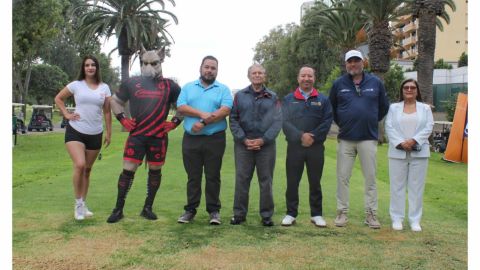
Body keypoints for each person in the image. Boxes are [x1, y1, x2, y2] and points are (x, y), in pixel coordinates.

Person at [106, 48, 182, 223]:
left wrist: (174, 123)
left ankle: (148, 208)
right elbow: (114, 101)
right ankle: (118, 209)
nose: (149, 67)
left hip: (158, 137)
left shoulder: (171, 86)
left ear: (161, 61)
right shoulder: (131, 83)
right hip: (137, 136)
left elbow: (183, 105)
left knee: (155, 172)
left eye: (153, 63)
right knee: (127, 171)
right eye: (144, 63)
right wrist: (122, 119)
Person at [329, 50, 389, 229]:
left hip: (368, 139)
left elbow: (383, 107)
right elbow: (331, 108)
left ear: (363, 63)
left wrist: (369, 120)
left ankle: (371, 215)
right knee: (342, 178)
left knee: (370, 178)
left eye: (356, 61)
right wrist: (345, 123)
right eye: (350, 62)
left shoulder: (375, 83)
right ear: (346, 64)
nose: (353, 64)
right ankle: (342, 213)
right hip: (346, 139)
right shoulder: (339, 84)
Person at [176, 55, 233, 225]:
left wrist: (203, 122)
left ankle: (214, 211)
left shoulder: (223, 89)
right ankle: (190, 210)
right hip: (191, 140)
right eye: (207, 67)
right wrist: (201, 114)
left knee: (213, 176)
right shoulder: (187, 87)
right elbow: (181, 107)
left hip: (215, 139)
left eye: (213, 68)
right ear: (200, 68)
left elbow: (225, 110)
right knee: (193, 176)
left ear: (217, 70)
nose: (209, 70)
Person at [54, 55, 112, 220]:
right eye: (87, 65)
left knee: (87, 170)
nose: (90, 68)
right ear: (83, 68)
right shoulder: (76, 85)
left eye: (93, 65)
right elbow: (58, 98)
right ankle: (78, 204)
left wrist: (109, 132)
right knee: (79, 165)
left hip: (95, 133)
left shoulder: (105, 88)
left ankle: (83, 204)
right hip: (76, 130)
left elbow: (107, 111)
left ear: (97, 68)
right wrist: (66, 113)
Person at [229, 64, 282, 226]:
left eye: (260, 73)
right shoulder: (239, 96)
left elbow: (277, 121)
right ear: (249, 76)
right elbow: (233, 119)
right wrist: (243, 139)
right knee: (242, 180)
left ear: (264, 76)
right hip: (243, 145)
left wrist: (263, 140)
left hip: (265, 146)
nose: (257, 75)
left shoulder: (273, 97)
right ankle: (239, 214)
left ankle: (266, 216)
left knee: (266, 181)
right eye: (254, 73)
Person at [281, 65, 333, 227]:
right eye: (303, 76)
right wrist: (300, 136)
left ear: (314, 78)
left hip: (316, 148)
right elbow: (284, 122)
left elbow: (327, 121)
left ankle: (316, 214)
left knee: (315, 181)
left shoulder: (323, 99)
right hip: (295, 147)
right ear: (298, 78)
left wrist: (313, 136)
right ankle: (291, 213)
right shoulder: (289, 99)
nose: (306, 79)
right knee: (292, 181)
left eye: (309, 76)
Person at [385, 79, 433, 232]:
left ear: (417, 90)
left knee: (416, 188)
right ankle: (397, 218)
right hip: (397, 152)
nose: (409, 90)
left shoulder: (425, 108)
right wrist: (401, 142)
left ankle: (414, 220)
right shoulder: (393, 108)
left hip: (420, 153)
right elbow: (389, 126)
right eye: (406, 87)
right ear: (402, 90)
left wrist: (413, 141)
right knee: (396, 187)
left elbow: (429, 126)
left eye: (413, 87)